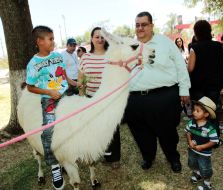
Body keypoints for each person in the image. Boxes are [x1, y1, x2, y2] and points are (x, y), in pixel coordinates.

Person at [124, 11, 190, 173]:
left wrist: (184, 89)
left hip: (164, 97)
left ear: (152, 25)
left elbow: (180, 66)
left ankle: (173, 158)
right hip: (135, 99)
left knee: (167, 132)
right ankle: (148, 157)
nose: (140, 28)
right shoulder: (130, 46)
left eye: (144, 24)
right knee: (140, 133)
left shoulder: (164, 42)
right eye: (137, 25)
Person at [26, 25, 79, 190]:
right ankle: (55, 166)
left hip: (65, 96)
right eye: (50, 39)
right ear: (39, 41)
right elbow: (30, 87)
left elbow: (63, 73)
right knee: (48, 132)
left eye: (53, 38)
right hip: (49, 101)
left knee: (75, 123)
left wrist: (73, 83)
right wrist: (48, 91)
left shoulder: (57, 56)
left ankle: (70, 155)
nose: (53, 42)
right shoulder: (33, 64)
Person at [78, 27, 121, 169]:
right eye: (97, 37)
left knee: (112, 129)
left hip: (109, 99)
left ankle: (113, 157)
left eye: (102, 37)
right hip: (91, 99)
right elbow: (81, 79)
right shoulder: (85, 57)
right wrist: (81, 98)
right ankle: (96, 154)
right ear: (91, 39)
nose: (100, 39)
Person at [188, 20, 223, 106]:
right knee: (212, 109)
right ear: (209, 31)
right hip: (215, 85)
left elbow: (190, 68)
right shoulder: (218, 46)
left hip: (199, 86)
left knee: (200, 111)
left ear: (196, 32)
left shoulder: (194, 47)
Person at [185, 96, 219, 190]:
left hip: (204, 153)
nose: (194, 112)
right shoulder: (191, 123)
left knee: (205, 167)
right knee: (192, 163)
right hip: (192, 150)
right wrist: (189, 141)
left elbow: (214, 141)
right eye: (194, 110)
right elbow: (188, 132)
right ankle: (197, 173)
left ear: (206, 114)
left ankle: (207, 184)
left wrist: (202, 146)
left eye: (197, 110)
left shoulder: (210, 128)